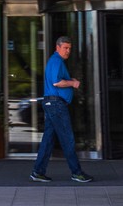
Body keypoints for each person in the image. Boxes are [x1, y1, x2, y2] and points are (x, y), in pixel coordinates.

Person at [29, 35, 93, 183]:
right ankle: (76, 172)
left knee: (48, 139)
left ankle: (38, 171)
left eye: (69, 48)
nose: (68, 51)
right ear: (57, 48)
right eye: (65, 48)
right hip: (56, 104)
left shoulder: (56, 61)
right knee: (68, 139)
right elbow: (57, 82)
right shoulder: (56, 61)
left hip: (52, 104)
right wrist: (73, 83)